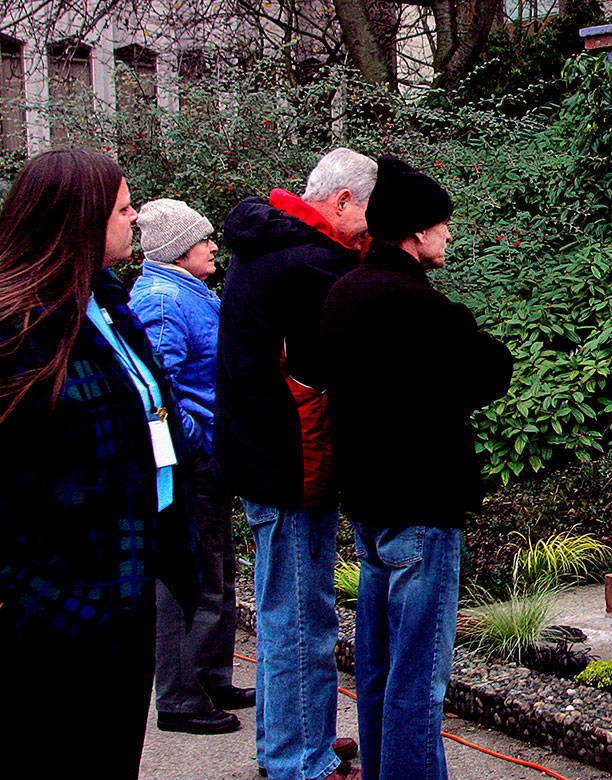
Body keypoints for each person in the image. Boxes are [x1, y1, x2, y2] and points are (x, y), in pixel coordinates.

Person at [0, 149, 196, 776]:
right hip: (56, 608)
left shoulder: (111, 305)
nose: (135, 218)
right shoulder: (19, 331)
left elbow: (149, 417)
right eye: (123, 208)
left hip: (127, 587)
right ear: (80, 221)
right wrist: (40, 598)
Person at [322, 155, 513, 780]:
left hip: (369, 506)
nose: (450, 234)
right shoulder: (421, 308)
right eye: (442, 224)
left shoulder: (344, 293)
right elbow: (493, 369)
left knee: (377, 671)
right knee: (418, 678)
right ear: (413, 233)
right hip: (422, 509)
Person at [215, 148, 375, 780]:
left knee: (291, 607)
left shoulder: (269, 245)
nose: (374, 231)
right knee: (299, 618)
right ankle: (297, 760)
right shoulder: (309, 265)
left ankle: (291, 737)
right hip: (290, 462)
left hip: (267, 456)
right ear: (341, 203)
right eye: (370, 215)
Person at [130, 197, 256, 735]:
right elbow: (159, 391)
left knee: (219, 568)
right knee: (194, 575)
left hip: (212, 454)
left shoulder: (188, 291)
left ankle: (210, 675)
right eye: (203, 239)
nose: (212, 246)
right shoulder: (160, 300)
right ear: (178, 250)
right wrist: (200, 444)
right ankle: (181, 695)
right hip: (194, 460)